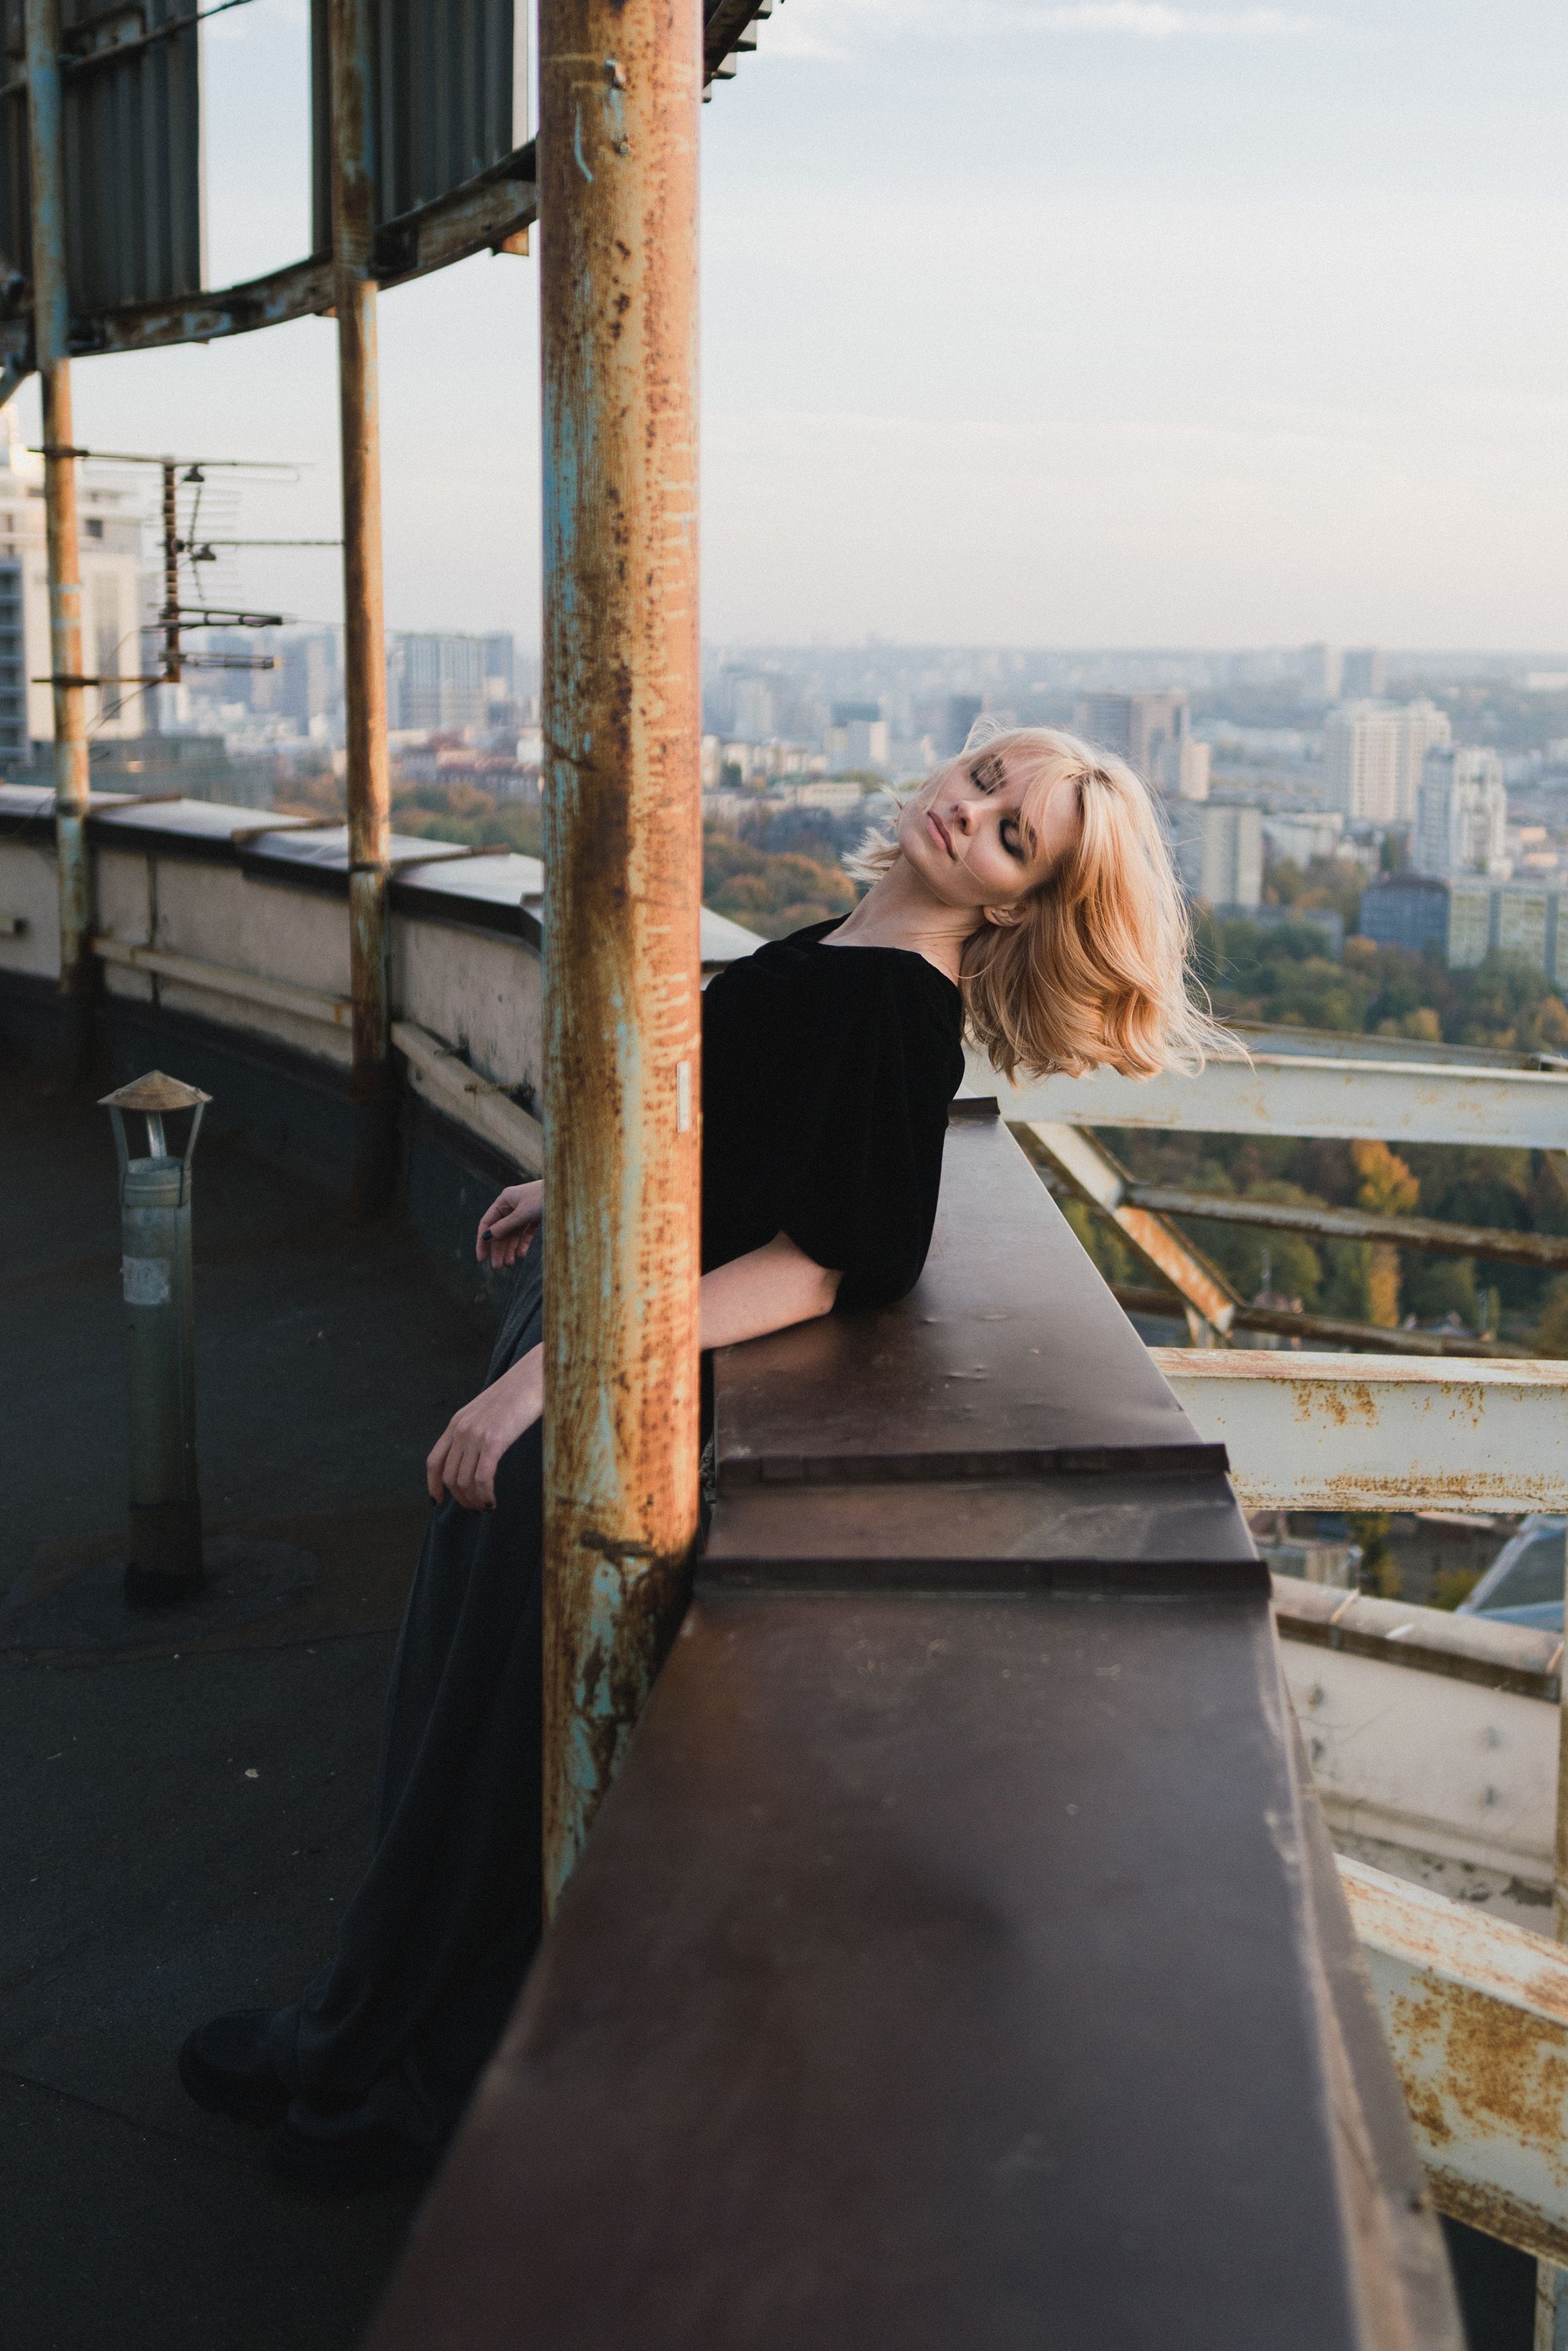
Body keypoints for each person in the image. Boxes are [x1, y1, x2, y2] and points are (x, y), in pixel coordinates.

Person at [178, 724, 1219, 2193]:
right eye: (986, 780)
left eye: (1011, 837)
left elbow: (820, 1262)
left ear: (1017, 906)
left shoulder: (897, 1007)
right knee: (454, 1711)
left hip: (614, 1385)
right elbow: (734, 1142)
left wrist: (550, 1381)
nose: (968, 813)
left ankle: (388, 2080)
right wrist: (574, 1188)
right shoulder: (847, 938)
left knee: (487, 1753)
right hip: (595, 1337)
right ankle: (361, 2031)